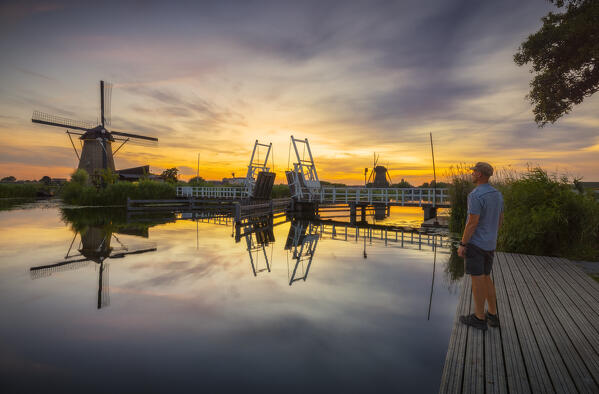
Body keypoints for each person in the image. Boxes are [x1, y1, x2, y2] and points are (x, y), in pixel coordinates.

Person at [458, 162, 503, 330]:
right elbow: (500, 220)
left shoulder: (476, 195)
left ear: (479, 175)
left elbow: (472, 222)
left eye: (473, 171)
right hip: (490, 243)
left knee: (477, 280)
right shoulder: (497, 194)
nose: (471, 174)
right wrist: (490, 234)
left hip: (476, 244)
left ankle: (479, 317)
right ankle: (492, 314)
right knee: (486, 277)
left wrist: (463, 243)